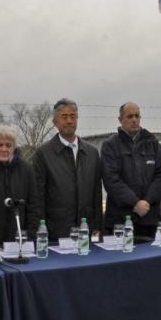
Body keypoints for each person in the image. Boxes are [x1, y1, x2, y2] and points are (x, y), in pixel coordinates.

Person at [32, 98, 103, 241]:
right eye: (64, 117)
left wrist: (97, 226)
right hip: (56, 232)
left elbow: (96, 193)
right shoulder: (43, 154)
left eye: (73, 116)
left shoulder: (92, 153)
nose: (69, 121)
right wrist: (40, 230)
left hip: (85, 231)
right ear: (55, 122)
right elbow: (38, 197)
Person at [101, 102, 161, 240]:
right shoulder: (110, 145)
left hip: (150, 219)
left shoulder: (152, 143)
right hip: (120, 222)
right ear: (120, 120)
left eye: (137, 116)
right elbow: (111, 180)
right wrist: (134, 203)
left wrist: (147, 202)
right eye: (129, 116)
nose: (134, 120)